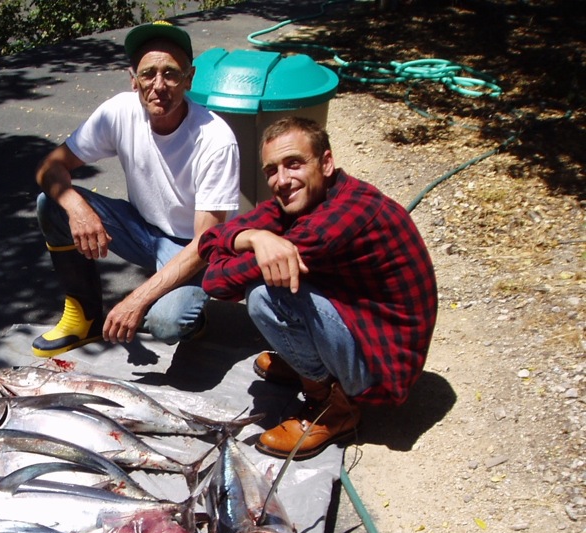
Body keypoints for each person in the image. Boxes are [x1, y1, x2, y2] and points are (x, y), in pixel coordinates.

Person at [198, 116, 438, 460]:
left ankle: (334, 408)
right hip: (359, 319)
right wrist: (254, 236)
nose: (281, 180)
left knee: (265, 294)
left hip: (380, 368)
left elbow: (217, 283)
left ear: (326, 163)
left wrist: (249, 246)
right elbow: (210, 242)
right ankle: (310, 367)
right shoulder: (303, 201)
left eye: (294, 164)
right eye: (271, 170)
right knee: (273, 270)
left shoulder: (341, 218)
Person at [31, 21, 240, 357]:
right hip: (141, 229)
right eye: (148, 74)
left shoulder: (215, 139)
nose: (159, 85)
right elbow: (50, 167)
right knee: (51, 203)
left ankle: (193, 317)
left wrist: (136, 299)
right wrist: (77, 207)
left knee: (166, 323)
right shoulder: (119, 111)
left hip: (192, 247)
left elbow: (206, 243)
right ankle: (82, 317)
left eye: (171, 74)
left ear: (189, 78)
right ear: (133, 79)